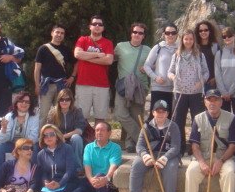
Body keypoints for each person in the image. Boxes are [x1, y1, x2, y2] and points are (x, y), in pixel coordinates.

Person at [180, 89, 235, 192]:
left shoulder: (231, 118)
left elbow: (233, 146)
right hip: (204, 156)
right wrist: (201, 162)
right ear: (205, 102)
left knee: (229, 173)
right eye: (209, 100)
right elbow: (194, 145)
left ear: (221, 102)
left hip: (224, 157)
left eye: (215, 100)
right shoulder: (198, 118)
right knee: (191, 171)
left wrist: (221, 161)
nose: (212, 103)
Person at [122, 100, 181, 192]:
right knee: (136, 164)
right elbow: (140, 146)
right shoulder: (146, 126)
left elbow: (176, 147)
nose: (160, 114)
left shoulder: (173, 126)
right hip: (151, 154)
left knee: (171, 170)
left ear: (167, 114)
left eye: (163, 112)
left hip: (168, 156)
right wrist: (145, 155)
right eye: (158, 111)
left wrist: (165, 157)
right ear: (153, 112)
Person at [168, 29, 209, 153]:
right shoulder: (176, 55)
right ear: (182, 40)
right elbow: (170, 71)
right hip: (180, 92)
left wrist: (201, 82)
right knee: (178, 121)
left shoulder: (200, 55)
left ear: (194, 40)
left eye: (191, 39)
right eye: (186, 39)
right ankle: (179, 148)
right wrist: (173, 77)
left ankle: (194, 147)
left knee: (197, 121)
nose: (188, 41)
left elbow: (206, 72)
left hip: (196, 92)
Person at [0, 91, 40, 191]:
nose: (24, 104)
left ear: (30, 104)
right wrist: (3, 129)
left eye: (27, 102)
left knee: (34, 148)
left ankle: (33, 183)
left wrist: (22, 146)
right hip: (11, 144)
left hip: (26, 144)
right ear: (16, 103)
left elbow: (34, 137)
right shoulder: (9, 116)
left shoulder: (34, 116)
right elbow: (1, 139)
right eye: (21, 101)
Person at [114, 22, 151, 152]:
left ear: (143, 36)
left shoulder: (148, 50)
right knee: (120, 114)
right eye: (135, 32)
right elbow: (110, 58)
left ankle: (130, 144)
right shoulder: (120, 46)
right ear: (131, 33)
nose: (137, 35)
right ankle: (144, 140)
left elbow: (156, 65)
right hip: (123, 87)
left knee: (136, 116)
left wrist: (148, 68)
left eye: (140, 33)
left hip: (139, 87)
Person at [73, 15, 114, 124]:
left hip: (102, 85)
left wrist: (86, 58)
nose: (97, 26)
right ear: (90, 26)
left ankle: (98, 136)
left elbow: (109, 60)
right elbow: (77, 54)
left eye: (100, 24)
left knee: (100, 118)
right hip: (83, 84)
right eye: (94, 24)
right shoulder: (83, 39)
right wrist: (98, 55)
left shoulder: (108, 43)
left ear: (103, 28)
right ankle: (83, 135)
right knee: (81, 117)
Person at [34, 24, 77, 124]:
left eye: (62, 33)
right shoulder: (43, 49)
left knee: (60, 114)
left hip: (61, 85)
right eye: (57, 32)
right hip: (46, 86)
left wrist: (72, 77)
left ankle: (58, 133)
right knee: (43, 114)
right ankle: (41, 134)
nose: (59, 35)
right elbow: (37, 68)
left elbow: (76, 63)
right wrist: (37, 85)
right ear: (52, 33)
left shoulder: (66, 49)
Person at [143, 23, 178, 116]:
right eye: (167, 33)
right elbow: (146, 66)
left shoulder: (180, 49)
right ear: (163, 34)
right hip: (158, 88)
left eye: (173, 33)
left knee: (170, 117)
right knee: (156, 116)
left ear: (177, 34)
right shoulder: (158, 48)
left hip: (175, 89)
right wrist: (155, 77)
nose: (170, 35)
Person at [47, 88, 87, 167]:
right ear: (58, 101)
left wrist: (64, 136)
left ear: (71, 100)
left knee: (77, 138)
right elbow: (50, 129)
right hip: (57, 139)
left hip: (72, 140)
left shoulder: (77, 111)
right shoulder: (52, 112)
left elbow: (79, 130)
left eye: (67, 99)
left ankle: (77, 167)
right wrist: (59, 137)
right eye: (62, 99)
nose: (64, 102)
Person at [214, 26, 235, 114]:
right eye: (224, 36)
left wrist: (230, 92)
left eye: (229, 35)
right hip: (223, 94)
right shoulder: (219, 53)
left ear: (234, 36)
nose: (227, 38)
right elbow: (217, 74)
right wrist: (223, 92)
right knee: (224, 120)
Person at [194, 20, 220, 91]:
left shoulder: (215, 46)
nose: (203, 32)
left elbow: (219, 64)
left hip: (211, 83)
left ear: (210, 31)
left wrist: (215, 78)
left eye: (206, 30)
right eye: (200, 31)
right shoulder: (195, 47)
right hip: (197, 82)